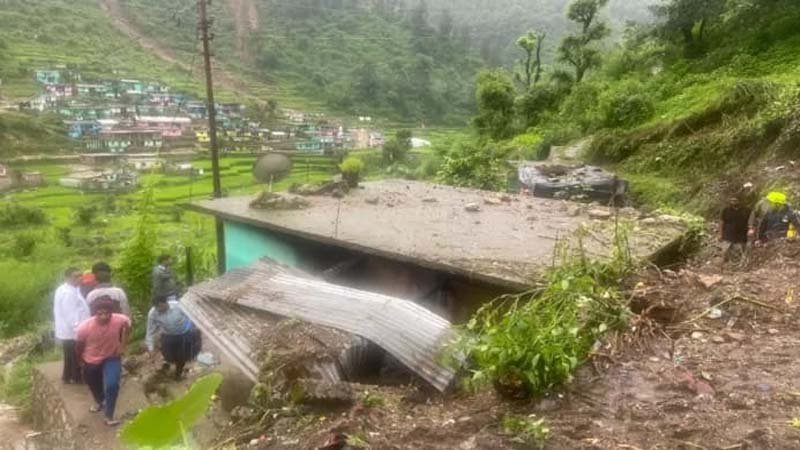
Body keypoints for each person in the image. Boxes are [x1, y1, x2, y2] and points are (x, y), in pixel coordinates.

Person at [75, 298, 130, 427]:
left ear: (112, 312)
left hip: (112, 357)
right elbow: (78, 347)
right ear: (95, 314)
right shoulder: (84, 328)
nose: (104, 316)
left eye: (107, 313)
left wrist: (123, 345)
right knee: (94, 385)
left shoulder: (120, 319)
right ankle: (100, 402)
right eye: (100, 314)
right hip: (91, 359)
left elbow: (127, 327)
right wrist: (80, 362)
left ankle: (109, 415)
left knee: (112, 385)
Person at [145, 295, 202, 380]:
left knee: (182, 356)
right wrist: (151, 348)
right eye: (156, 307)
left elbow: (192, 316)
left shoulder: (179, 306)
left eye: (160, 306)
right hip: (168, 334)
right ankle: (168, 364)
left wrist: (193, 327)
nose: (158, 309)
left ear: (166, 302)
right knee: (168, 355)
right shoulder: (153, 313)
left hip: (183, 333)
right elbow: (150, 332)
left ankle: (178, 373)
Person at [53, 267, 90, 384]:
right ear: (67, 278)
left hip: (68, 331)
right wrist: (78, 330)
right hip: (72, 331)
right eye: (76, 276)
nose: (79, 278)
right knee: (75, 355)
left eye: (80, 275)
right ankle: (76, 377)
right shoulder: (68, 293)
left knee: (70, 355)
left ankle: (68, 376)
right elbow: (70, 315)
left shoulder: (71, 288)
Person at [720, 196, 751, 263]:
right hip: (728, 233)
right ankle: (725, 263)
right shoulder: (726, 210)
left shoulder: (746, 210)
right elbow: (722, 222)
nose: (733, 202)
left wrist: (750, 229)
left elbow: (750, 221)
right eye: (732, 200)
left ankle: (740, 263)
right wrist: (720, 233)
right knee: (726, 250)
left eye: (735, 200)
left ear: (739, 201)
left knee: (742, 250)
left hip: (742, 233)